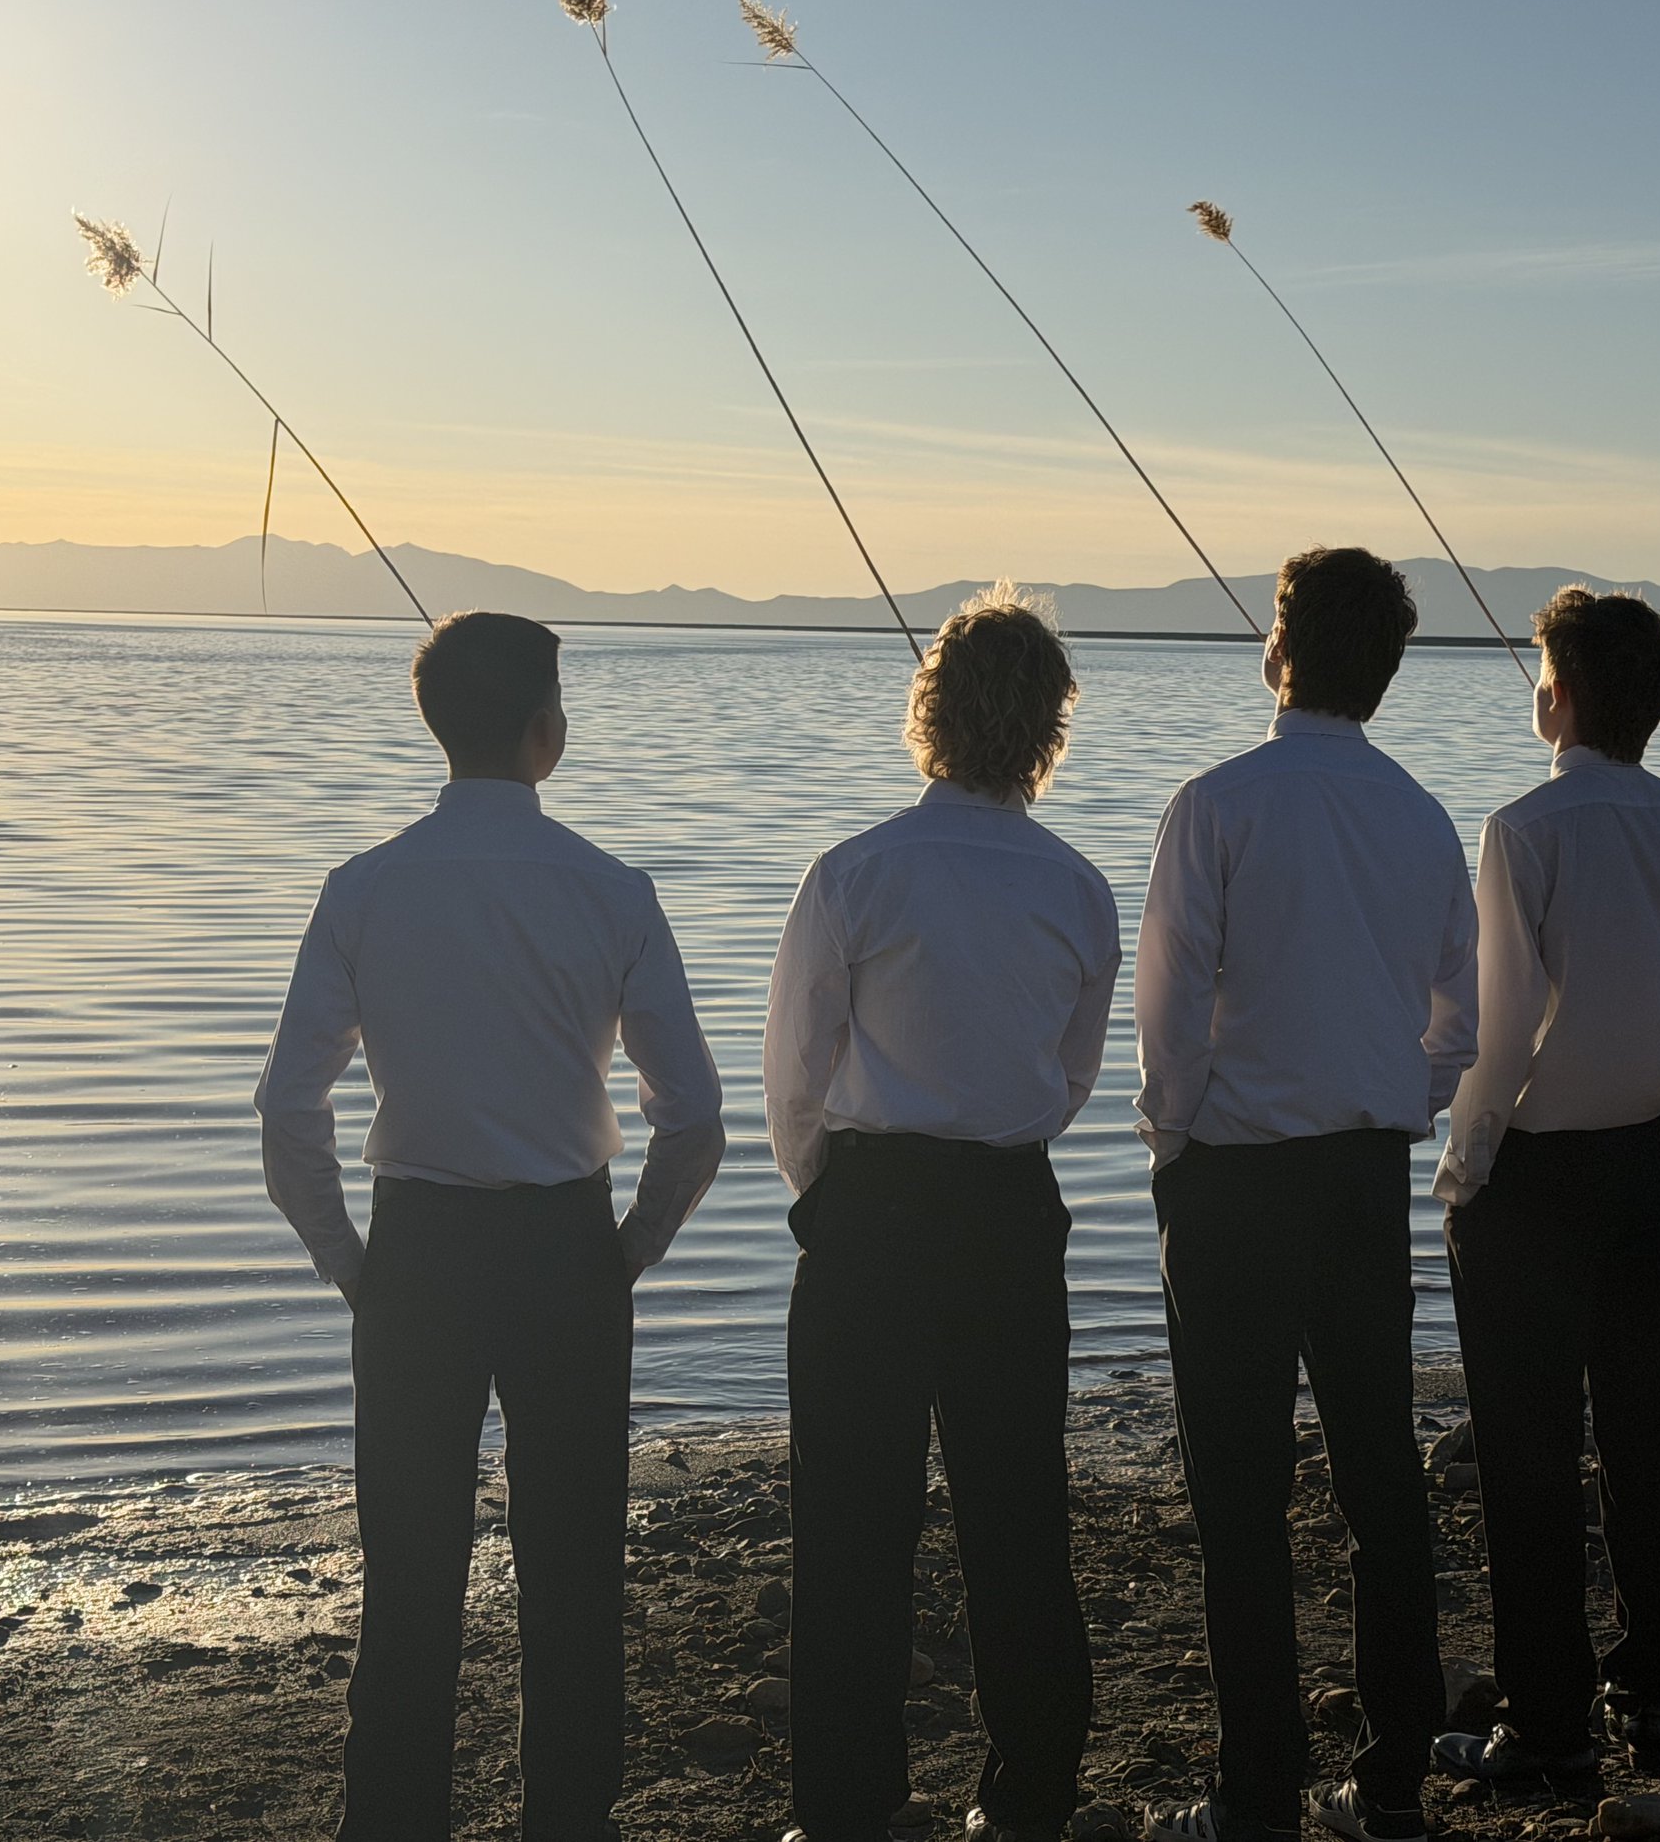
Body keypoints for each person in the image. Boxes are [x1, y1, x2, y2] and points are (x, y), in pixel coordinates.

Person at [255, 610, 727, 1842]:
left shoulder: (362, 890)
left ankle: (393, 1823)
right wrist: (625, 1251)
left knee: (410, 1577)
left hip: (416, 1252)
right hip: (568, 1250)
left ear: (436, 724)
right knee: (574, 1574)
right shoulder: (612, 892)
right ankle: (570, 1821)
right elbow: (694, 1121)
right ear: (546, 732)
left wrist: (354, 1265)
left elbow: (288, 1114)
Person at [1134, 545, 1479, 1842]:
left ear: (1279, 651)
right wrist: (1401, 1092)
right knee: (1381, 1469)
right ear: (1385, 671)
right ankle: (1393, 1783)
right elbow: (1467, 1016)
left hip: (1228, 1175)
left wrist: (1176, 1140)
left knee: (1241, 1489)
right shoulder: (1422, 814)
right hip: (1363, 1173)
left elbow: (1170, 1019)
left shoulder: (1215, 804)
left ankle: (1258, 1793)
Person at [764, 588, 1117, 1842]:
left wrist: (832, 1194)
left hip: (869, 1215)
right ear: (1044, 733)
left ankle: (849, 1809)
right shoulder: (1077, 890)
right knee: (1017, 1511)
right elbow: (1069, 1081)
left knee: (851, 1524)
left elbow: (793, 1079)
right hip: (1011, 1211)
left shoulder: (853, 873)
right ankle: (1031, 1797)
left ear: (930, 714)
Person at [1430, 587, 1660, 1786]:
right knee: (1644, 1433)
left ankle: (1548, 1725)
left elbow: (1498, 1030)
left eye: (1543, 669)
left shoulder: (1521, 830)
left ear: (1562, 694)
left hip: (1534, 1173)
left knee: (1528, 1451)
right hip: (1652, 1160)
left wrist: (1464, 1164)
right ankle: (1656, 1702)